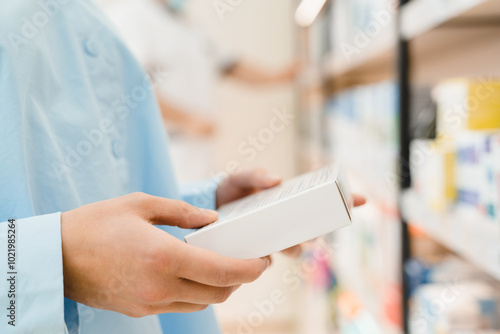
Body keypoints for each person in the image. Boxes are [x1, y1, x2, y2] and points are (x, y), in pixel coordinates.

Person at [0, 1, 365, 333]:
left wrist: (203, 205)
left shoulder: (92, 15)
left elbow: (97, 186)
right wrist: (56, 259)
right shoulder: (130, 20)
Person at [97, 0, 302, 182]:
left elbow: (229, 64)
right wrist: (187, 120)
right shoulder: (131, 17)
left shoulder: (186, 22)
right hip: (167, 146)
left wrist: (277, 77)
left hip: (197, 148)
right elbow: (129, 85)